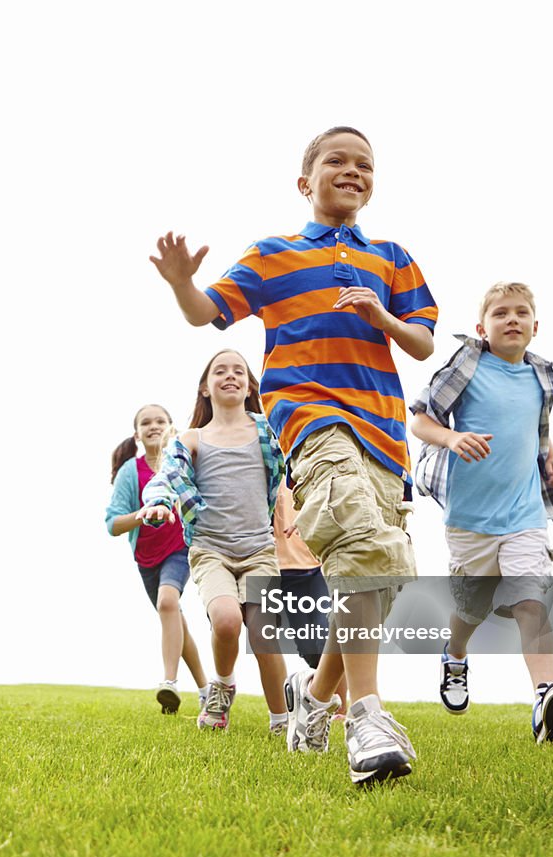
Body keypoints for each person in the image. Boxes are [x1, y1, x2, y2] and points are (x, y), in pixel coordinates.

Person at [150, 126, 437, 784]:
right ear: (305, 181)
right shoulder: (274, 255)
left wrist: (383, 318)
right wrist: (180, 284)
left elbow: (421, 343)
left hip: (384, 435)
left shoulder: (392, 257)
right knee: (363, 549)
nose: (352, 170)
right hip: (311, 421)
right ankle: (364, 716)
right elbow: (207, 312)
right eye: (336, 160)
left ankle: (311, 700)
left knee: (379, 574)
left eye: (365, 164)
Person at [409, 281, 553, 744]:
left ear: (535, 326)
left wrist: (552, 459)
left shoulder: (541, 376)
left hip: (525, 515)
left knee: (531, 603)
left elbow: (535, 430)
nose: (512, 320)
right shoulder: (467, 366)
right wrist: (451, 438)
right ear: (482, 327)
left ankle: (546, 698)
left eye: (521, 313)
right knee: (472, 607)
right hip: (469, 519)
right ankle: (455, 656)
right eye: (501, 313)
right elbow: (421, 418)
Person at [138, 350, 288, 733]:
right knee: (225, 621)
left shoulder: (267, 432)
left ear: (250, 385)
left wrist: (303, 512)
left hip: (258, 551)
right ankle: (222, 686)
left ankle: (282, 721)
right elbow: (166, 476)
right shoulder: (193, 438)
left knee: (263, 633)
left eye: (239, 371)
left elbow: (293, 472)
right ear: (206, 388)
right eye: (219, 371)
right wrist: (157, 503)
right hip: (211, 551)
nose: (230, 376)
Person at [105, 404, 209, 714]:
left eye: (160, 421)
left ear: (171, 427)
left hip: (180, 549)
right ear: (136, 434)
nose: (154, 426)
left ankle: (169, 683)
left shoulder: (182, 463)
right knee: (174, 619)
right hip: (146, 557)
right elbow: (113, 524)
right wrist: (144, 513)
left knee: (167, 603)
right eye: (146, 423)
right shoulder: (130, 472)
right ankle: (205, 690)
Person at [272, 480, 347, 720]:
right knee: (308, 650)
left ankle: (342, 710)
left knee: (324, 638)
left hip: (314, 566)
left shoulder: (305, 460)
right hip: (278, 569)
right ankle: (317, 699)